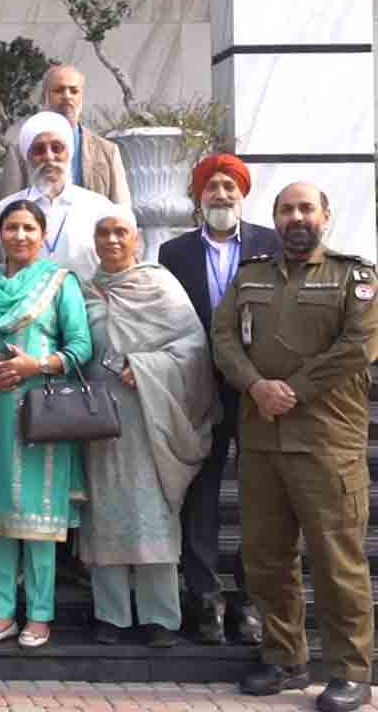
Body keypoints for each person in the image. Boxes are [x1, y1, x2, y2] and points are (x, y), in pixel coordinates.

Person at [213, 182, 377, 712]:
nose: (296, 217)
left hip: (327, 442)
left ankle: (350, 671)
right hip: (262, 440)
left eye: (307, 208)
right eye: (287, 209)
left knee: (337, 561)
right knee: (267, 558)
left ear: (325, 216)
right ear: (275, 218)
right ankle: (285, 657)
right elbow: (223, 339)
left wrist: (293, 390)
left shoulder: (354, 277)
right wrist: (256, 386)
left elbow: (358, 348)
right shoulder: (250, 276)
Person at [157, 153, 278, 646]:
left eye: (230, 186)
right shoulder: (174, 252)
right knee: (201, 492)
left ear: (243, 193)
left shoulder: (271, 245)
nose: (222, 194)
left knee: (260, 493)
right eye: (213, 186)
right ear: (198, 195)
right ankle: (205, 597)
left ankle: (250, 601)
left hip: (258, 387)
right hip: (198, 386)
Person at [0, 198, 91, 651]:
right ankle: (1, 613)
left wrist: (36, 365)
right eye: (11, 227)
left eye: (28, 228)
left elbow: (81, 346)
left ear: (43, 234)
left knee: (37, 521)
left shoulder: (60, 281)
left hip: (42, 415)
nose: (19, 236)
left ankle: (39, 615)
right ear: (0, 234)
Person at [80, 210, 215, 648]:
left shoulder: (159, 285)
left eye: (120, 232)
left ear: (136, 239)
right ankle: (111, 615)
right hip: (99, 421)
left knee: (153, 514)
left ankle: (160, 616)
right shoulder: (84, 290)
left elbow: (193, 349)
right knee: (104, 515)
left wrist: (145, 368)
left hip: (151, 418)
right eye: (104, 232)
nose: (112, 240)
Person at [0, 111, 116, 283]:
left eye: (57, 148)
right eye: (39, 150)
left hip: (85, 299)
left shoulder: (99, 208)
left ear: (69, 153)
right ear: (27, 157)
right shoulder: (2, 211)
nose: (49, 157)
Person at [0, 64, 131, 205]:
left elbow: (122, 211)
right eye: (59, 90)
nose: (67, 96)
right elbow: (7, 209)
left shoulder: (107, 152)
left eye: (74, 91)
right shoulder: (19, 154)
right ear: (44, 98)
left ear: (81, 97)